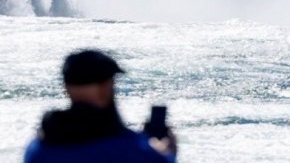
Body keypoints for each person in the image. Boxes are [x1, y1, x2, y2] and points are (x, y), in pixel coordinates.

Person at [24, 49, 176, 163]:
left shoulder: (38, 147)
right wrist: (167, 152)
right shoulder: (131, 148)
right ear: (106, 87)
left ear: (66, 88)